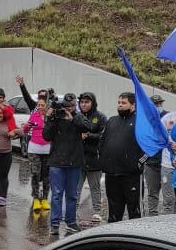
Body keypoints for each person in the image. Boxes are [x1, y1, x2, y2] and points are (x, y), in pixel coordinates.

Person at [43, 94, 86, 233]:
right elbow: (46, 136)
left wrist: (72, 118)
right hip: (57, 162)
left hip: (74, 162)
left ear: (75, 106)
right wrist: (50, 118)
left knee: (72, 194)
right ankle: (54, 224)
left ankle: (71, 222)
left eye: (71, 106)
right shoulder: (56, 117)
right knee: (56, 194)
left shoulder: (78, 117)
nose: (68, 109)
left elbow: (88, 127)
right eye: (66, 107)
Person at [99, 93, 144, 222]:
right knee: (113, 211)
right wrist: (103, 160)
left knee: (134, 211)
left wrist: (138, 164)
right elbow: (102, 142)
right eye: (119, 102)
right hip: (112, 174)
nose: (120, 105)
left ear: (133, 105)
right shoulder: (112, 120)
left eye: (124, 103)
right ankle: (113, 238)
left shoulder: (140, 122)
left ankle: (135, 240)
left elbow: (148, 147)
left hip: (131, 175)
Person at [76, 92, 106, 221]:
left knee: (95, 187)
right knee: (76, 187)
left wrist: (88, 135)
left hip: (95, 159)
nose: (84, 104)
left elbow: (103, 136)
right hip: (78, 158)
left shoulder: (100, 117)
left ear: (92, 103)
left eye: (87, 102)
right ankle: (73, 210)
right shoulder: (76, 116)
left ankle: (97, 211)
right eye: (82, 102)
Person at [23, 92, 51, 211]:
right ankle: (35, 199)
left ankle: (44, 198)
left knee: (46, 176)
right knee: (35, 174)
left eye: (42, 105)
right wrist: (27, 126)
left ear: (47, 106)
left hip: (48, 149)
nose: (40, 107)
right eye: (38, 105)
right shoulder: (34, 115)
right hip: (34, 148)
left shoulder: (51, 116)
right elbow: (25, 129)